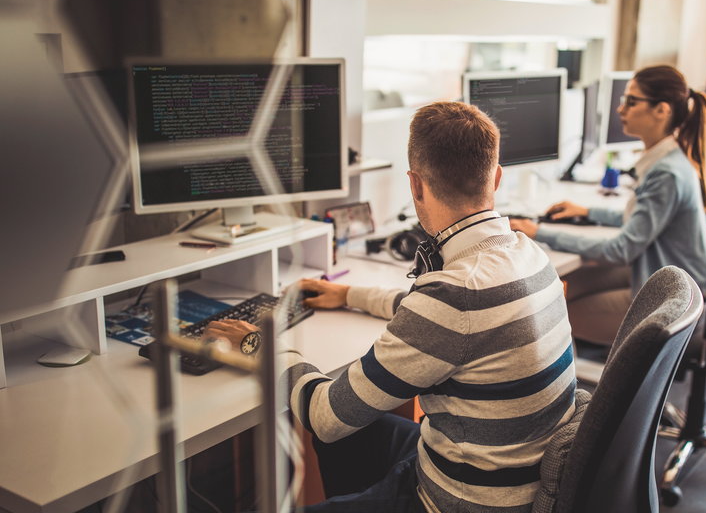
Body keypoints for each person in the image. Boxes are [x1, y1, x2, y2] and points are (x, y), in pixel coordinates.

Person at [206, 102, 576, 513]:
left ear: (415, 185)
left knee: (335, 425)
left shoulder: (454, 298)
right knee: (354, 433)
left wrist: (261, 344)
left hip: (459, 502)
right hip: (509, 480)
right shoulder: (528, 253)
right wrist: (349, 295)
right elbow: (450, 322)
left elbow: (324, 416)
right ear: (497, 176)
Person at [509, 65, 706, 349]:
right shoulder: (666, 160)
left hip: (670, 297)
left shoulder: (666, 173)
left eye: (631, 101)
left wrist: (539, 231)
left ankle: (592, 384)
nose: (620, 109)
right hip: (659, 273)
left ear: (661, 110)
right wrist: (588, 212)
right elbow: (639, 219)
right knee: (563, 286)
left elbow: (621, 249)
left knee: (547, 317)